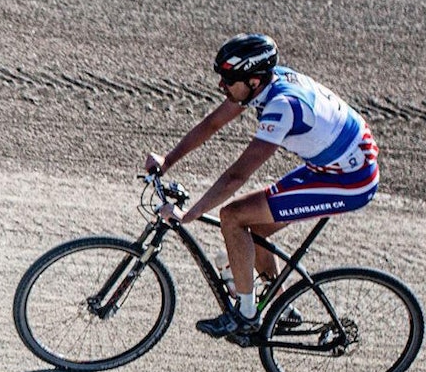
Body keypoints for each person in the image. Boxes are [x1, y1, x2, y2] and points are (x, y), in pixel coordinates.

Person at [146, 33, 379, 337]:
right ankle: (281, 306)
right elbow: (212, 124)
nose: (221, 86)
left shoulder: (282, 107)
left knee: (233, 216)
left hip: (349, 181)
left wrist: (188, 214)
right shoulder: (266, 82)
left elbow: (236, 177)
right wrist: (168, 159)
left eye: (228, 80)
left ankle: (246, 315)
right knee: (251, 228)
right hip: (334, 164)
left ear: (253, 81)